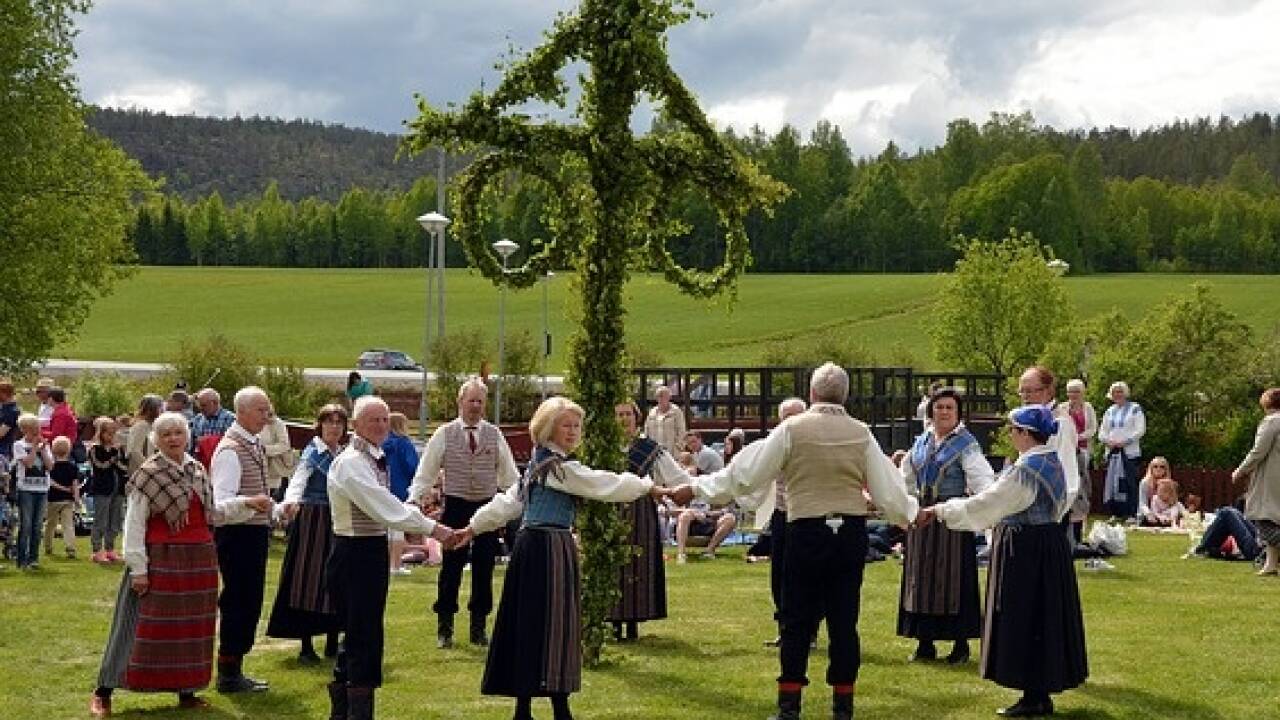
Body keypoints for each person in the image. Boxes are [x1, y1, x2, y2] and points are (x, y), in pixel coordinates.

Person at [670, 362, 922, 720]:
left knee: (796, 619)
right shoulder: (861, 433)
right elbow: (888, 490)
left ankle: (790, 706)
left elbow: (744, 475)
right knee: (844, 621)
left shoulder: (792, 429)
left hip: (806, 530)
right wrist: (911, 514)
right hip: (849, 532)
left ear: (812, 395)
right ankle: (842, 705)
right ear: (846, 396)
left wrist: (695, 487)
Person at [450, 395, 662, 720]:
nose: (574, 431)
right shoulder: (555, 467)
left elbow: (510, 502)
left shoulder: (543, 463)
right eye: (567, 425)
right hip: (546, 549)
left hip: (540, 547)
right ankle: (551, 707)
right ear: (549, 428)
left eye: (577, 426)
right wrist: (646, 486)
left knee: (535, 623)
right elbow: (598, 483)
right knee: (550, 625)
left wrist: (474, 525)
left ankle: (532, 707)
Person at [89, 411, 272, 718]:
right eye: (166, 434)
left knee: (191, 629)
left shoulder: (197, 469)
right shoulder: (148, 474)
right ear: (155, 440)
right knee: (138, 627)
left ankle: (186, 692)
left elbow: (211, 512)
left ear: (187, 435)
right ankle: (104, 691)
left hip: (198, 562)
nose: (173, 438)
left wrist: (246, 503)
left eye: (178, 432)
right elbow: (133, 524)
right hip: (162, 559)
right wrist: (139, 569)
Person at [922, 406, 1088, 717]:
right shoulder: (1053, 462)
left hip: (1026, 548)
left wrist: (942, 511)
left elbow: (990, 504)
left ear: (1025, 433)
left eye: (1013, 429)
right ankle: (1037, 692)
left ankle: (1033, 695)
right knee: (1042, 617)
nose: (1010, 434)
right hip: (1048, 544)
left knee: (1024, 615)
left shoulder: (1026, 470)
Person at [325, 395, 453, 720]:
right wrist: (434, 529)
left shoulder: (373, 458)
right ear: (355, 425)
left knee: (361, 632)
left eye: (384, 419)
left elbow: (392, 507)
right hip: (353, 553)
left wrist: (413, 510)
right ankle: (357, 713)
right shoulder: (352, 463)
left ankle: (343, 711)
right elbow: (384, 507)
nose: (381, 426)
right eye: (373, 420)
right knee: (362, 635)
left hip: (368, 552)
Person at [407, 378, 519, 649]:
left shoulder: (494, 434)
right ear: (460, 402)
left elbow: (509, 476)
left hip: (486, 507)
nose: (476, 406)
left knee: (484, 567)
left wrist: (515, 500)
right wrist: (413, 500)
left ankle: (478, 627)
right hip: (456, 506)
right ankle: (444, 626)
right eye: (471, 401)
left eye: (480, 401)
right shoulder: (444, 434)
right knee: (451, 568)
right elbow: (426, 472)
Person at [896, 388, 994, 666]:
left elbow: (982, 480)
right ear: (931, 411)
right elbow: (906, 477)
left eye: (950, 408)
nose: (944, 412)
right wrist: (904, 507)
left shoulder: (965, 444)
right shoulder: (922, 441)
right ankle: (924, 642)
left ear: (958, 413)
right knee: (922, 577)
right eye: (939, 407)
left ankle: (960, 644)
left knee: (953, 579)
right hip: (921, 517)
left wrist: (980, 507)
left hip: (952, 518)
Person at [267, 404, 347, 663]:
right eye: (329, 422)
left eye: (339, 423)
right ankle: (306, 645)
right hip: (313, 519)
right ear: (320, 425)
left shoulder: (343, 454)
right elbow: (298, 480)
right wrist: (289, 502)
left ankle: (333, 641)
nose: (334, 427)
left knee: (336, 579)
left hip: (337, 520)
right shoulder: (313, 453)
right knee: (307, 579)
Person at [209, 386, 276, 693]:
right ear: (242, 412)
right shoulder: (230, 451)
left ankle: (234, 667)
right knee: (240, 600)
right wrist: (251, 502)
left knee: (250, 600)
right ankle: (228, 670)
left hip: (254, 532)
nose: (267, 415)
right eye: (261, 410)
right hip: (238, 535)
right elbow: (219, 505)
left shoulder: (253, 444)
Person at [609, 400, 687, 641]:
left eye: (627, 414)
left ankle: (633, 622)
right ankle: (612, 621)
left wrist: (696, 489)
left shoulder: (649, 448)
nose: (623, 419)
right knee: (612, 564)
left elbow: (675, 476)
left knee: (638, 564)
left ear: (637, 418)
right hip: (610, 511)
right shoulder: (604, 448)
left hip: (639, 512)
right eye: (619, 414)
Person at [756, 397, 806, 647]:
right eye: (787, 417)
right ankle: (784, 628)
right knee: (779, 575)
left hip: (807, 516)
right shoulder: (773, 446)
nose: (791, 421)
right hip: (781, 513)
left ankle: (809, 632)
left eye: (797, 416)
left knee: (806, 575)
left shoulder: (812, 444)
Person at [1235, 387, 1280, 575]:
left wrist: (1240, 470)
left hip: (1270, 477)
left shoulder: (1271, 422)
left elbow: (1258, 451)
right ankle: (1270, 564)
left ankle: (1270, 564)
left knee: (1266, 518)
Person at [12, 414, 53, 570]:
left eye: (38, 430)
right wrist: (34, 447)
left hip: (42, 489)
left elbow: (50, 466)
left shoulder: (45, 446)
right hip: (26, 490)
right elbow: (28, 464)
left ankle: (33, 558)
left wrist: (43, 449)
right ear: (24, 430)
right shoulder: (18, 445)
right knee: (26, 524)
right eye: (33, 430)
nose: (37, 433)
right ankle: (21, 559)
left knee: (37, 526)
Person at [1098, 381, 1145, 518]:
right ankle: (1115, 512)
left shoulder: (1135, 408)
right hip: (1113, 452)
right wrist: (1109, 441)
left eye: (1120, 392)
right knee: (1112, 484)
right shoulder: (1110, 411)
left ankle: (1130, 513)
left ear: (1125, 393)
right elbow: (1102, 432)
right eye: (1115, 392)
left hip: (1129, 453)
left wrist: (1126, 441)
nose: (1117, 395)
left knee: (1128, 482)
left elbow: (1140, 429)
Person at [382, 412, 420, 576]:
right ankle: (395, 565)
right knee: (397, 529)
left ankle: (386, 564)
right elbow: (414, 467)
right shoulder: (404, 444)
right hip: (401, 490)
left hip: (383, 489)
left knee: (385, 530)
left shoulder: (381, 444)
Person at [89, 417, 129, 564]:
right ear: (101, 433)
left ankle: (110, 549)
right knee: (101, 520)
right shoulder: (95, 449)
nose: (111, 437)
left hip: (117, 489)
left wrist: (120, 455)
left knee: (115, 520)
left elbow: (124, 467)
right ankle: (97, 550)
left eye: (114, 433)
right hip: (102, 489)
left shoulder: (117, 450)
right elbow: (100, 466)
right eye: (108, 433)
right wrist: (114, 458)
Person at [1063, 379, 1097, 541]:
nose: (1073, 395)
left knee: (1082, 486)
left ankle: (1080, 521)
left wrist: (1078, 437)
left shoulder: (1088, 408)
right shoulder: (1062, 408)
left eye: (1076, 391)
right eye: (1070, 391)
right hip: (1067, 451)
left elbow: (1092, 429)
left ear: (1082, 392)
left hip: (1082, 450)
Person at [45, 436, 81, 559]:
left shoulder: (51, 466)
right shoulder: (72, 467)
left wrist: (62, 488)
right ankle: (70, 547)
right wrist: (76, 498)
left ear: (53, 450)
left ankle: (48, 546)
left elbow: (50, 482)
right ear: (69, 450)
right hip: (67, 500)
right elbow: (75, 485)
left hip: (53, 499)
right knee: (68, 524)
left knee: (50, 524)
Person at [673, 497, 737, 562]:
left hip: (709, 523)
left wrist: (711, 513)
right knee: (684, 515)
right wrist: (692, 512)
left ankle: (709, 552)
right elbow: (670, 510)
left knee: (730, 518)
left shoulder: (715, 494)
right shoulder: (685, 493)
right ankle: (681, 554)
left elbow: (728, 509)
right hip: (690, 525)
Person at [259, 408, 295, 501]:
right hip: (259, 470)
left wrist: (265, 449)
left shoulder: (277, 423)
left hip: (276, 471)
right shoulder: (252, 423)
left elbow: (285, 445)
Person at [126, 395, 164, 480]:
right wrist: (149, 468)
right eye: (160, 407)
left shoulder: (152, 425)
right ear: (152, 409)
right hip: (142, 472)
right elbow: (135, 451)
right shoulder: (141, 426)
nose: (163, 410)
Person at [643, 385, 686, 452]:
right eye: (659, 396)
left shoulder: (676, 411)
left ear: (669, 397)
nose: (661, 398)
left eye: (664, 396)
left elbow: (682, 432)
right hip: (654, 451)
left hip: (671, 451)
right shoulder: (652, 412)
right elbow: (646, 431)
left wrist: (677, 449)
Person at [1136, 457, 1173, 525]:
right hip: (1147, 514)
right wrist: (1149, 514)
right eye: (1155, 466)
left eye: (1162, 467)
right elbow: (1142, 503)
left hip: (1164, 514)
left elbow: (1172, 502)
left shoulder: (1168, 483)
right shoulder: (1145, 482)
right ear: (1151, 468)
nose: (1158, 469)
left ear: (1166, 469)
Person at [0, 378, 19, 462]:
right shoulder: (4, 408)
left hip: (4, 451)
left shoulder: (12, 411)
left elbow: (1, 433)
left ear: (4, 393)